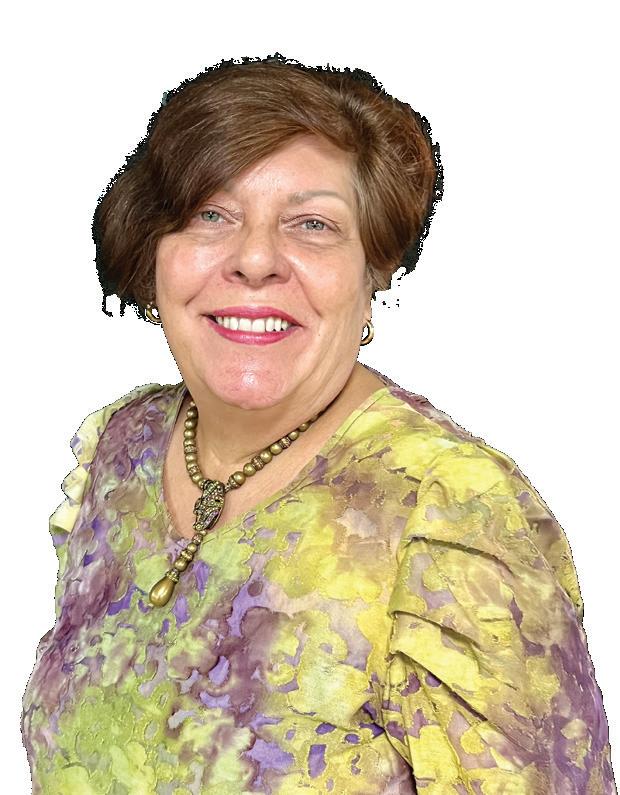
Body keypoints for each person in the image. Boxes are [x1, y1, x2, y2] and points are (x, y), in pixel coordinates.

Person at [21, 54, 615, 794]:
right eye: (211, 213)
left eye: (312, 224)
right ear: (152, 250)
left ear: (373, 269)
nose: (255, 259)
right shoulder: (123, 450)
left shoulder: (450, 509)